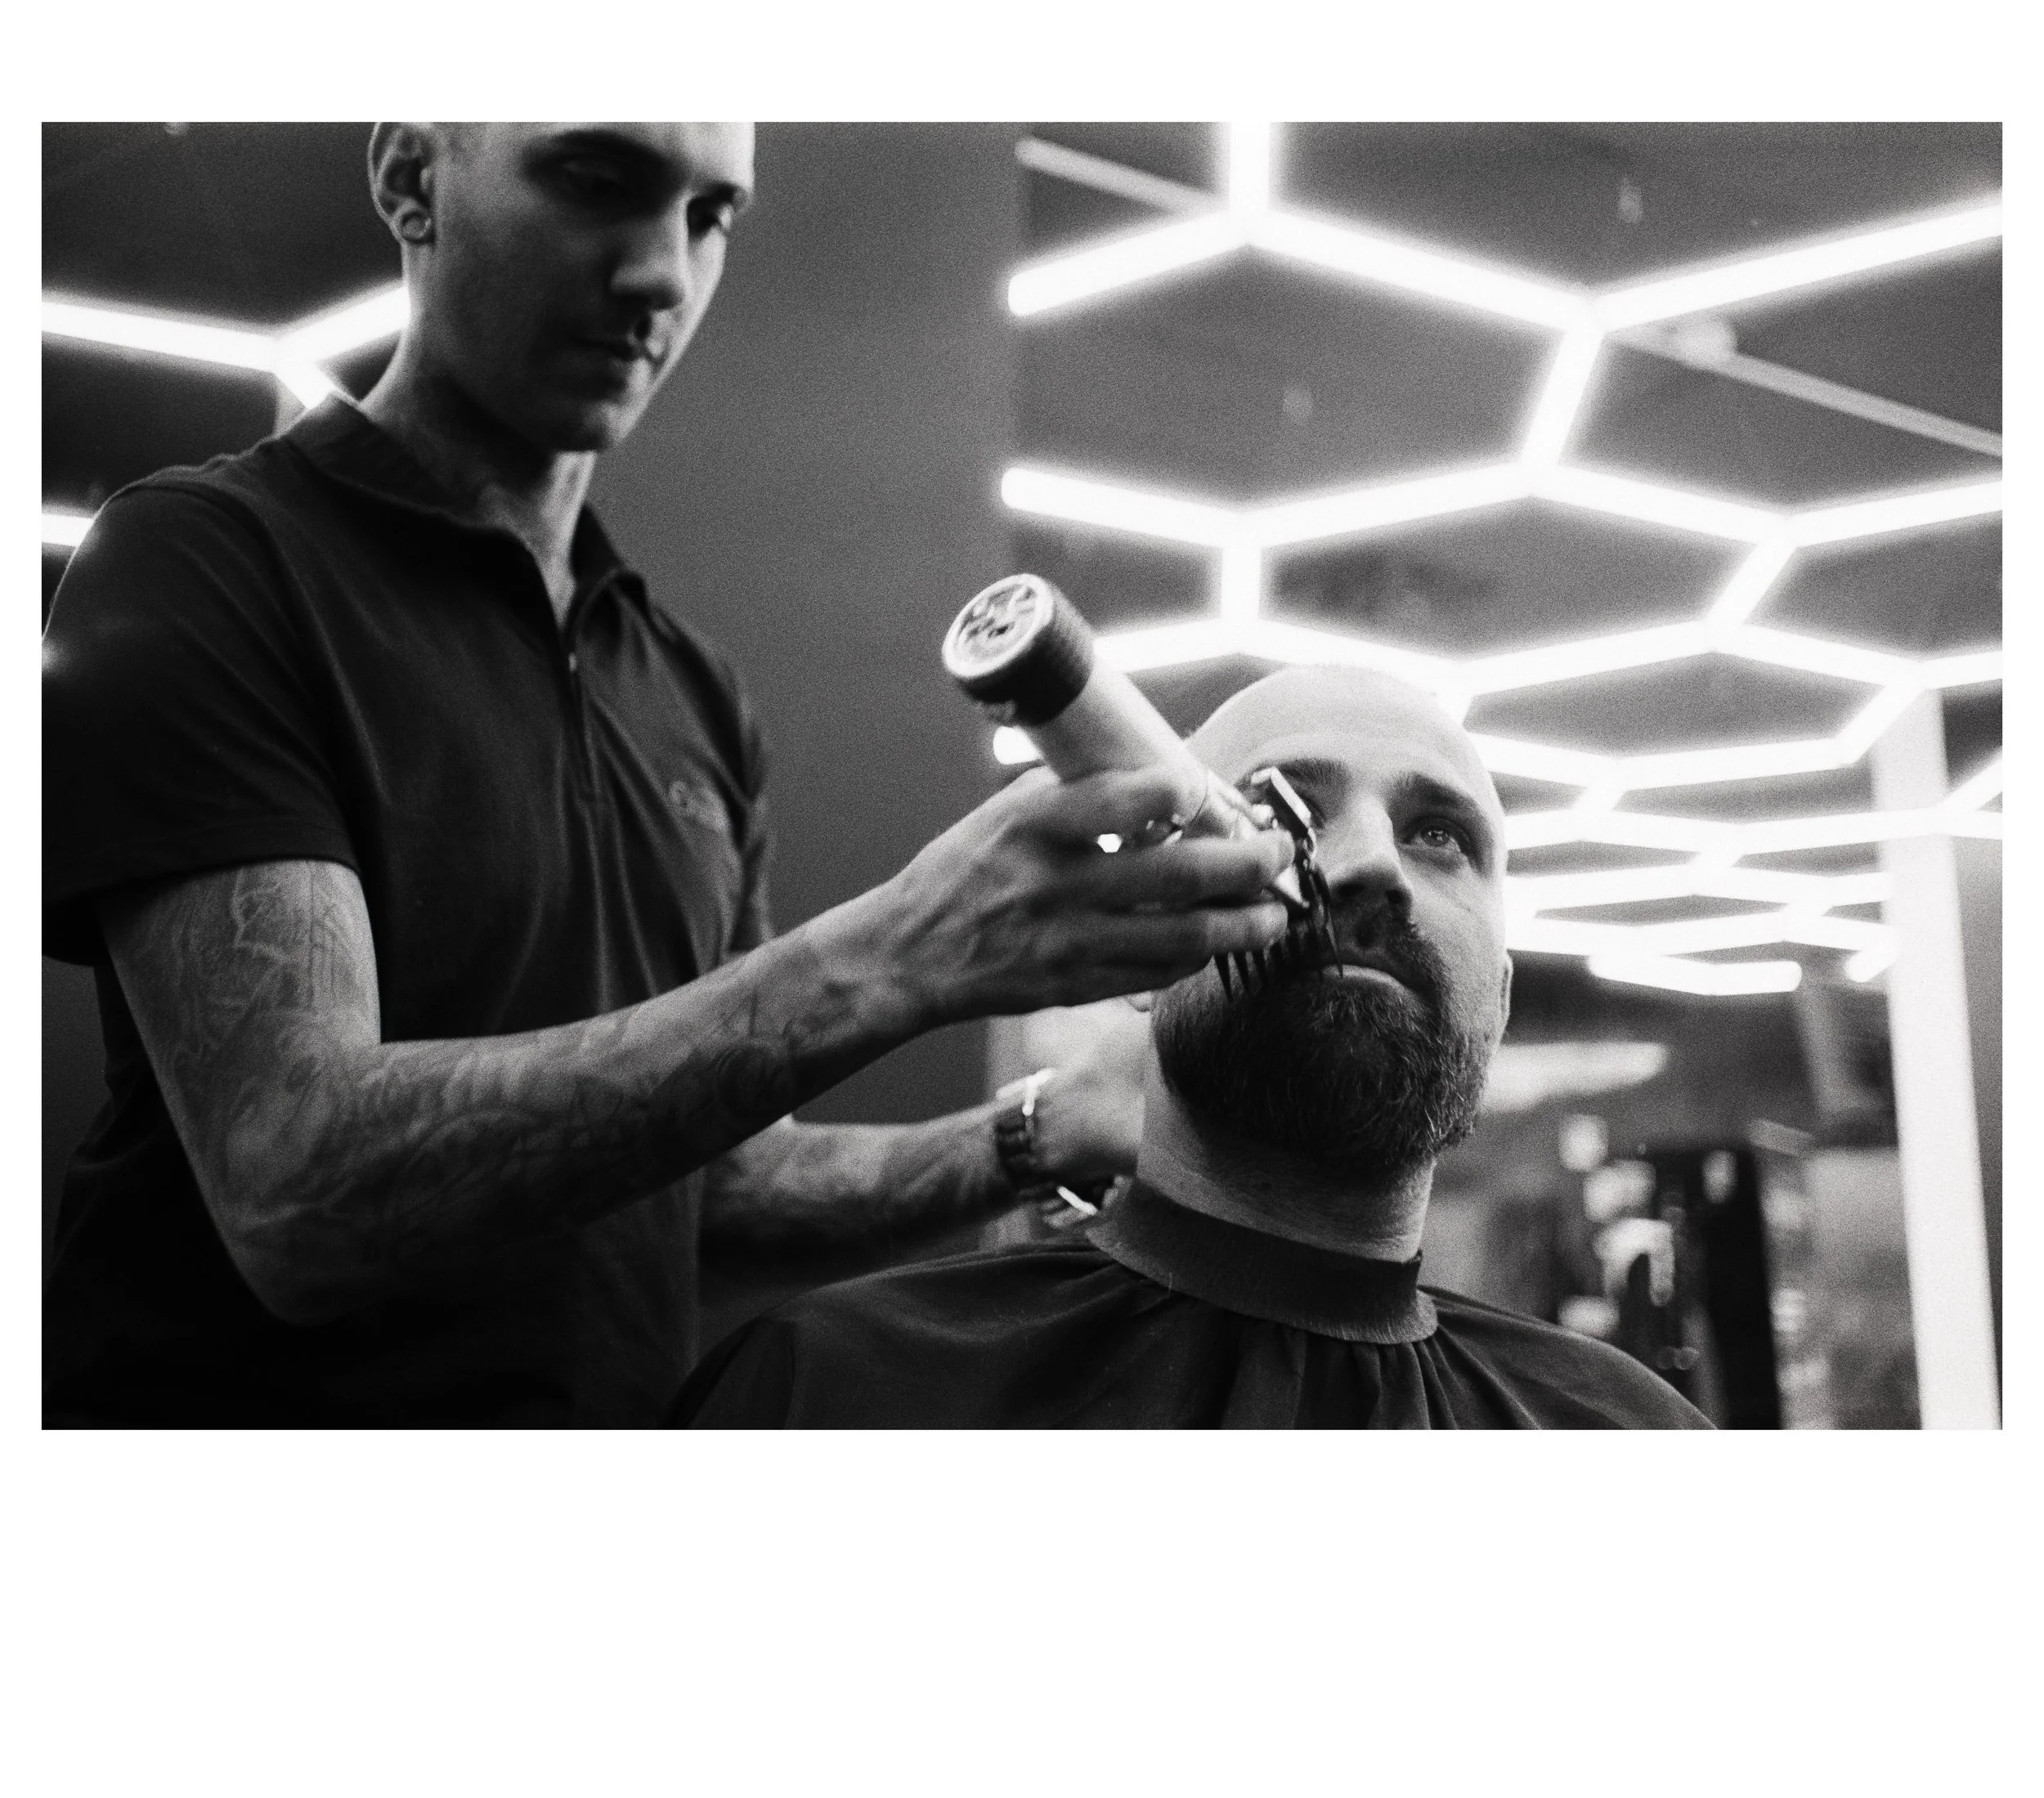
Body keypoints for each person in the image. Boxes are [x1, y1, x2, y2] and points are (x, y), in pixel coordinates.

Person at [41, 122, 1295, 1427]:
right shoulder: (205, 562)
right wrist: (902, 955)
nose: (663, 272)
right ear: (412, 180)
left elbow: (708, 1204)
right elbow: (296, 1191)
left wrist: (1036, 1130)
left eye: (712, 215)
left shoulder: (687, 691)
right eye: (598, 182)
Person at [672, 666, 1714, 1428]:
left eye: (1438, 834)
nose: (1368, 867)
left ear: (1499, 999)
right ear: (1144, 940)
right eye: (1285, 808)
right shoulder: (836, 1394)